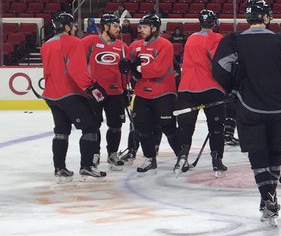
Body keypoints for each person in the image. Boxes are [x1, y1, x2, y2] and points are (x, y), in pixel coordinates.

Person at [211, 0, 281, 224]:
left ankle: (267, 197)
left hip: (248, 106)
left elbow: (219, 70)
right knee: (275, 154)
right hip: (278, 107)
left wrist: (234, 85)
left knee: (258, 156)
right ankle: (268, 198)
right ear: (266, 17)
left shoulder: (233, 40)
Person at [41, 11, 105, 182]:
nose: (76, 29)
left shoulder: (46, 44)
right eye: (74, 26)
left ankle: (59, 168)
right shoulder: (74, 42)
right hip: (69, 93)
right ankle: (86, 166)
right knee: (91, 127)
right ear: (67, 27)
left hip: (51, 95)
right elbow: (76, 70)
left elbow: (47, 72)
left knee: (61, 131)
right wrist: (92, 87)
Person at [122, 13, 182, 173]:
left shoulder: (165, 45)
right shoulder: (135, 46)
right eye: (140, 26)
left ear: (154, 28)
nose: (141, 30)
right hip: (142, 93)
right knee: (141, 127)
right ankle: (149, 158)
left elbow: (158, 70)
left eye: (145, 27)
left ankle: (182, 157)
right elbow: (128, 65)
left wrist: (137, 68)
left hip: (163, 93)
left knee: (168, 127)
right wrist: (125, 67)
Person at [175, 9, 229, 176]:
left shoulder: (191, 38)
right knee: (216, 127)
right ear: (214, 23)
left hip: (187, 88)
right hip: (210, 88)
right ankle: (216, 160)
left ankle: (182, 156)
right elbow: (219, 63)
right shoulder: (216, 38)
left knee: (185, 126)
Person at [82, 12, 129, 169]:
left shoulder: (122, 47)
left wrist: (126, 90)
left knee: (116, 125)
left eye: (119, 26)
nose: (118, 29)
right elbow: (77, 63)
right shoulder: (90, 42)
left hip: (116, 93)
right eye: (115, 26)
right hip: (94, 93)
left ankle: (112, 154)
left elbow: (125, 72)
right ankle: (95, 154)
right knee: (93, 125)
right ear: (106, 26)